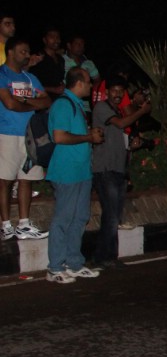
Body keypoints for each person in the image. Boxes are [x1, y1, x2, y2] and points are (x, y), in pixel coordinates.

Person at [46, 67, 104, 283]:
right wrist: (88, 138)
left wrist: (89, 136)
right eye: (89, 82)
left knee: (79, 218)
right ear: (79, 83)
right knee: (63, 218)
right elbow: (59, 137)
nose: (91, 85)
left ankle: (73, 263)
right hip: (66, 171)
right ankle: (54, 267)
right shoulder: (63, 104)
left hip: (81, 171)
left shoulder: (77, 105)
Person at [91, 78, 151, 268]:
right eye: (114, 90)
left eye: (121, 91)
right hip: (106, 168)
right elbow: (120, 124)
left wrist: (132, 146)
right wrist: (141, 111)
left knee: (113, 214)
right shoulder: (102, 107)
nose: (117, 94)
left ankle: (107, 255)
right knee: (112, 215)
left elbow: (120, 136)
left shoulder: (116, 110)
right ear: (107, 92)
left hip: (118, 167)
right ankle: (104, 257)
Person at [0, 37, 52, 241]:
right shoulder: (2, 74)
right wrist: (32, 104)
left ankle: (23, 224)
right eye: (23, 51)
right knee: (4, 180)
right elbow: (9, 104)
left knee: (26, 179)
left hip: (30, 135)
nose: (27, 55)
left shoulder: (31, 78)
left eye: (28, 51)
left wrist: (24, 101)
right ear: (10, 52)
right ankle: (5, 224)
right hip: (7, 133)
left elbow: (46, 100)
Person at [32, 27, 66, 97]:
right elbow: (31, 83)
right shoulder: (38, 58)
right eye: (52, 37)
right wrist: (53, 89)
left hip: (58, 100)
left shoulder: (60, 59)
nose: (56, 40)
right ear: (45, 40)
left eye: (57, 37)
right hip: (43, 99)